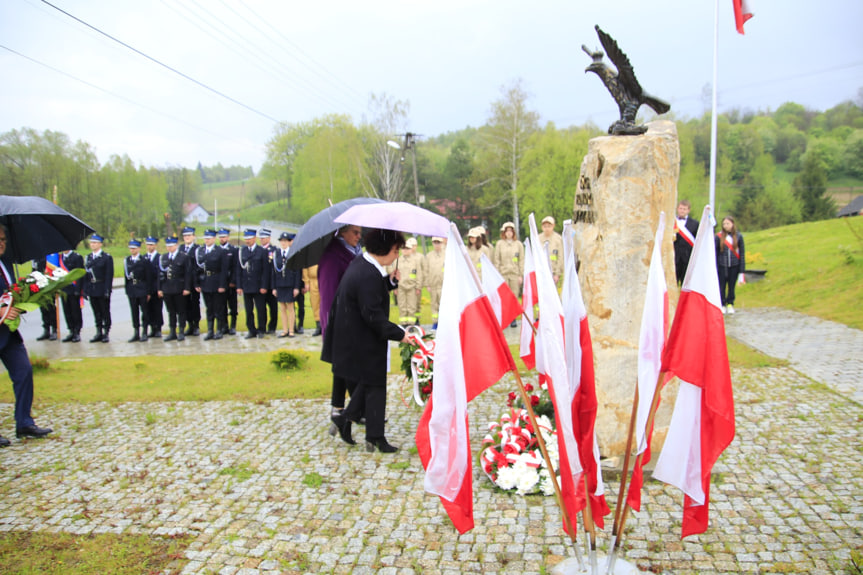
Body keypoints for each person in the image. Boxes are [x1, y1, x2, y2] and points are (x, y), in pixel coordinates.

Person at [322, 228, 410, 453]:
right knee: (374, 383)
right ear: (387, 250)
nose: (397, 255)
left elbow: (370, 293)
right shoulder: (367, 273)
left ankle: (360, 427)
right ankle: (374, 436)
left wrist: (389, 283)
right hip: (359, 337)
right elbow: (372, 315)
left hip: (356, 335)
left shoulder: (364, 264)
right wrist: (402, 334)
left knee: (370, 383)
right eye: (396, 250)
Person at [0, 224, 53, 445]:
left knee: (24, 371)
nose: (2, 242)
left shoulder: (6, 264)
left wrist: (23, 301)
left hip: (8, 333)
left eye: (3, 239)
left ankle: (24, 422)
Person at [318, 224, 363, 428]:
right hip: (340, 319)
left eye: (360, 232)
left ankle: (339, 408)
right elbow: (327, 293)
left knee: (344, 365)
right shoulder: (333, 255)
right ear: (342, 232)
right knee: (348, 365)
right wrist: (331, 323)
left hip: (357, 317)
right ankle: (354, 409)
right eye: (355, 232)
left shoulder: (355, 252)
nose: (359, 235)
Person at [195, 229, 229, 340]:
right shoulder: (201, 251)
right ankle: (210, 330)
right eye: (205, 238)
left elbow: (224, 270)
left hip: (216, 281)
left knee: (218, 307)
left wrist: (222, 285)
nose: (207, 240)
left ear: (214, 239)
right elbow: (197, 268)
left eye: (209, 238)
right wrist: (197, 283)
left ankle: (219, 330)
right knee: (209, 308)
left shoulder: (220, 251)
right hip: (205, 281)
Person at [157, 235, 192, 341]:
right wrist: (159, 288)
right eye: (168, 246)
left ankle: (181, 330)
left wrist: (187, 288)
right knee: (171, 311)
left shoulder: (183, 257)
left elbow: (187, 273)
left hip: (179, 287)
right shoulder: (163, 257)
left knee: (181, 310)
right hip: (167, 288)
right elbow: (160, 274)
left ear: (176, 245)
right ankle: (172, 331)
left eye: (171, 246)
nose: (169, 248)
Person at [236, 228, 269, 339]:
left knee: (260, 309)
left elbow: (265, 271)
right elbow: (239, 270)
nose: (247, 241)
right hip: (247, 285)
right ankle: (251, 329)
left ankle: (261, 329)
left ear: (254, 238)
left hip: (258, 285)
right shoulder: (242, 251)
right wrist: (239, 286)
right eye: (246, 239)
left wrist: (264, 286)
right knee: (248, 309)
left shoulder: (262, 251)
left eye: (249, 238)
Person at [84, 233, 114, 343]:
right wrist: (85, 289)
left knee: (104, 311)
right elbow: (86, 275)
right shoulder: (88, 257)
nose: (93, 245)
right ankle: (99, 331)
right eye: (91, 242)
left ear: (100, 244)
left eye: (95, 243)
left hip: (102, 287)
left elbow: (108, 275)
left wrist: (107, 290)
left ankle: (106, 332)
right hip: (92, 288)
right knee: (96, 311)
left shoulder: (106, 258)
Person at [494, 222, 524, 327]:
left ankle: (513, 318)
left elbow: (521, 260)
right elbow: (497, 259)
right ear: (504, 232)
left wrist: (521, 275)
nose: (509, 233)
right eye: (507, 231)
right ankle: (505, 318)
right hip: (503, 274)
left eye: (511, 231)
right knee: (504, 297)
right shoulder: (499, 244)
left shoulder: (518, 245)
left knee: (514, 297)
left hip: (515, 274)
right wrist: (496, 275)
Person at [124, 238, 154, 342]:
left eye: (134, 248)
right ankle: (136, 332)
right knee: (134, 311)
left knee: (144, 311)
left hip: (142, 288)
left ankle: (145, 331)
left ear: (139, 248)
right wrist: (127, 290)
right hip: (132, 289)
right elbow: (126, 277)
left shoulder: (144, 261)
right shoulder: (127, 260)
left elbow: (148, 277)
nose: (132, 250)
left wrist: (149, 291)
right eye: (131, 248)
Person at [272, 232, 301, 337]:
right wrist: (274, 287)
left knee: (290, 307)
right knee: (282, 308)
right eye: (281, 241)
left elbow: (297, 271)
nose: (283, 243)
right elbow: (274, 272)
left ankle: (291, 330)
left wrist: (296, 287)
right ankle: (284, 330)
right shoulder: (277, 254)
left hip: (290, 284)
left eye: (285, 241)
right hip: (280, 284)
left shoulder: (293, 254)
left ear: (289, 242)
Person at [716, 215, 745, 315]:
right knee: (722, 286)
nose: (726, 226)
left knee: (731, 286)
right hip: (722, 265)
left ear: (732, 224)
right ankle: (722, 304)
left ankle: (730, 303)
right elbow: (716, 253)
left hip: (734, 265)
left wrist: (742, 270)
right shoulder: (718, 237)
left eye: (728, 223)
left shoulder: (739, 236)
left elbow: (742, 253)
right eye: (724, 224)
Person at [394, 237, 424, 326]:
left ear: (411, 249)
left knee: (411, 307)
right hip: (401, 287)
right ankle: (403, 324)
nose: (405, 250)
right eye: (403, 248)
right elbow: (394, 274)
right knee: (402, 306)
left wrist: (418, 287)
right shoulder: (397, 260)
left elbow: (419, 274)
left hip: (412, 287)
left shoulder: (415, 261)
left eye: (407, 248)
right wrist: (394, 287)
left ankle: (411, 324)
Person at [59, 248, 84, 342]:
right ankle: (71, 330)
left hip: (74, 289)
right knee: (67, 311)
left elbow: (80, 274)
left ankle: (77, 331)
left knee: (75, 311)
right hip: (64, 289)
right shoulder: (60, 258)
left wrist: (78, 289)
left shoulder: (76, 257)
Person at [180, 226, 201, 336]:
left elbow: (199, 267)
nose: (187, 238)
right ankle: (190, 325)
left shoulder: (197, 249)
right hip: (183, 282)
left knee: (194, 304)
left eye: (189, 235)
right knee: (185, 305)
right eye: (185, 236)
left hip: (194, 282)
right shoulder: (180, 249)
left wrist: (197, 282)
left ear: (193, 236)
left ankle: (196, 325)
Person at [217, 228, 239, 335]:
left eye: (224, 237)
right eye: (220, 237)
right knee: (221, 305)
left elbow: (235, 267)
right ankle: (224, 326)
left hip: (231, 282)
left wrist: (233, 281)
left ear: (228, 237)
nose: (222, 239)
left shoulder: (233, 250)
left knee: (233, 305)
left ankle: (233, 325)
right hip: (221, 283)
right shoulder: (216, 250)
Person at [673, 200, 699, 286]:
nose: (682, 211)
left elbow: (697, 240)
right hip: (674, 256)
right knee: (673, 282)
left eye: (684, 209)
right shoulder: (672, 222)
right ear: (677, 209)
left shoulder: (695, 224)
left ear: (688, 210)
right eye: (680, 208)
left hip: (688, 258)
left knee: (687, 284)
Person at [32, 257, 57, 341]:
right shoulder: (35, 258)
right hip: (39, 287)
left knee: (51, 308)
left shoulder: (48, 257)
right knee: (43, 309)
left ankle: (54, 330)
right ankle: (46, 330)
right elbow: (34, 271)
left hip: (49, 286)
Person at [259, 228, 279, 335]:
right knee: (261, 308)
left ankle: (272, 327)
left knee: (273, 308)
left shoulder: (274, 250)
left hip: (271, 284)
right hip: (261, 284)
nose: (262, 240)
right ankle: (262, 327)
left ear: (269, 238)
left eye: (264, 238)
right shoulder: (258, 250)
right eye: (261, 238)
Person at [143, 237, 164, 337]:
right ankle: (152, 327)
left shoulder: (159, 258)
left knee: (157, 308)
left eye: (151, 245)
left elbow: (161, 274)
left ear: (155, 245)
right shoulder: (143, 258)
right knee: (148, 309)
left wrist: (160, 288)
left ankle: (158, 328)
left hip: (156, 287)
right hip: (147, 288)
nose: (149, 247)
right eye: (148, 245)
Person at [424, 236, 446, 329]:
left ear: (442, 243)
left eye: (438, 242)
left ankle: (444, 322)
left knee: (444, 303)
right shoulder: (429, 256)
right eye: (435, 242)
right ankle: (435, 323)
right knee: (434, 304)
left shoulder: (447, 254)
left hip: (443, 285)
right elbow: (426, 270)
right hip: (433, 284)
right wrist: (427, 284)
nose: (437, 244)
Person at [539, 216, 564, 286]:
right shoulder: (538, 238)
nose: (547, 228)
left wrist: (557, 274)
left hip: (553, 271)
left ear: (553, 226)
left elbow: (560, 257)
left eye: (549, 226)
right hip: (541, 272)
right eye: (545, 226)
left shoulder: (558, 239)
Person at [304, 265, 321, 336]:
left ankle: (327, 325)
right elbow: (305, 268)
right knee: (315, 303)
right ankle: (318, 325)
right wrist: (306, 282)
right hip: (313, 281)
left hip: (324, 278)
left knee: (326, 303)